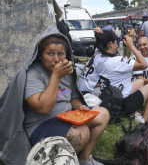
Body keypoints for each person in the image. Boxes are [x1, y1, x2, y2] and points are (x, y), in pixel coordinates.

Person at [0, 25, 109, 165]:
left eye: (61, 54)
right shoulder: (33, 74)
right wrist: (56, 76)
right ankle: (59, 159)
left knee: (103, 113)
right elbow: (42, 108)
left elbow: (73, 97)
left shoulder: (67, 70)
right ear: (40, 55)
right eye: (50, 53)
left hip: (66, 118)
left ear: (67, 54)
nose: (56, 59)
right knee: (81, 133)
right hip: (40, 125)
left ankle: (84, 159)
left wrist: (79, 105)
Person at [78, 28, 148, 121]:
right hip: (121, 104)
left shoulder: (98, 57)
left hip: (109, 98)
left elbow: (100, 43)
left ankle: (133, 113)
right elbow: (144, 64)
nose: (117, 45)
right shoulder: (118, 61)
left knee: (140, 81)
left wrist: (100, 34)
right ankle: (144, 120)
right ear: (111, 44)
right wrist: (131, 46)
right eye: (116, 42)